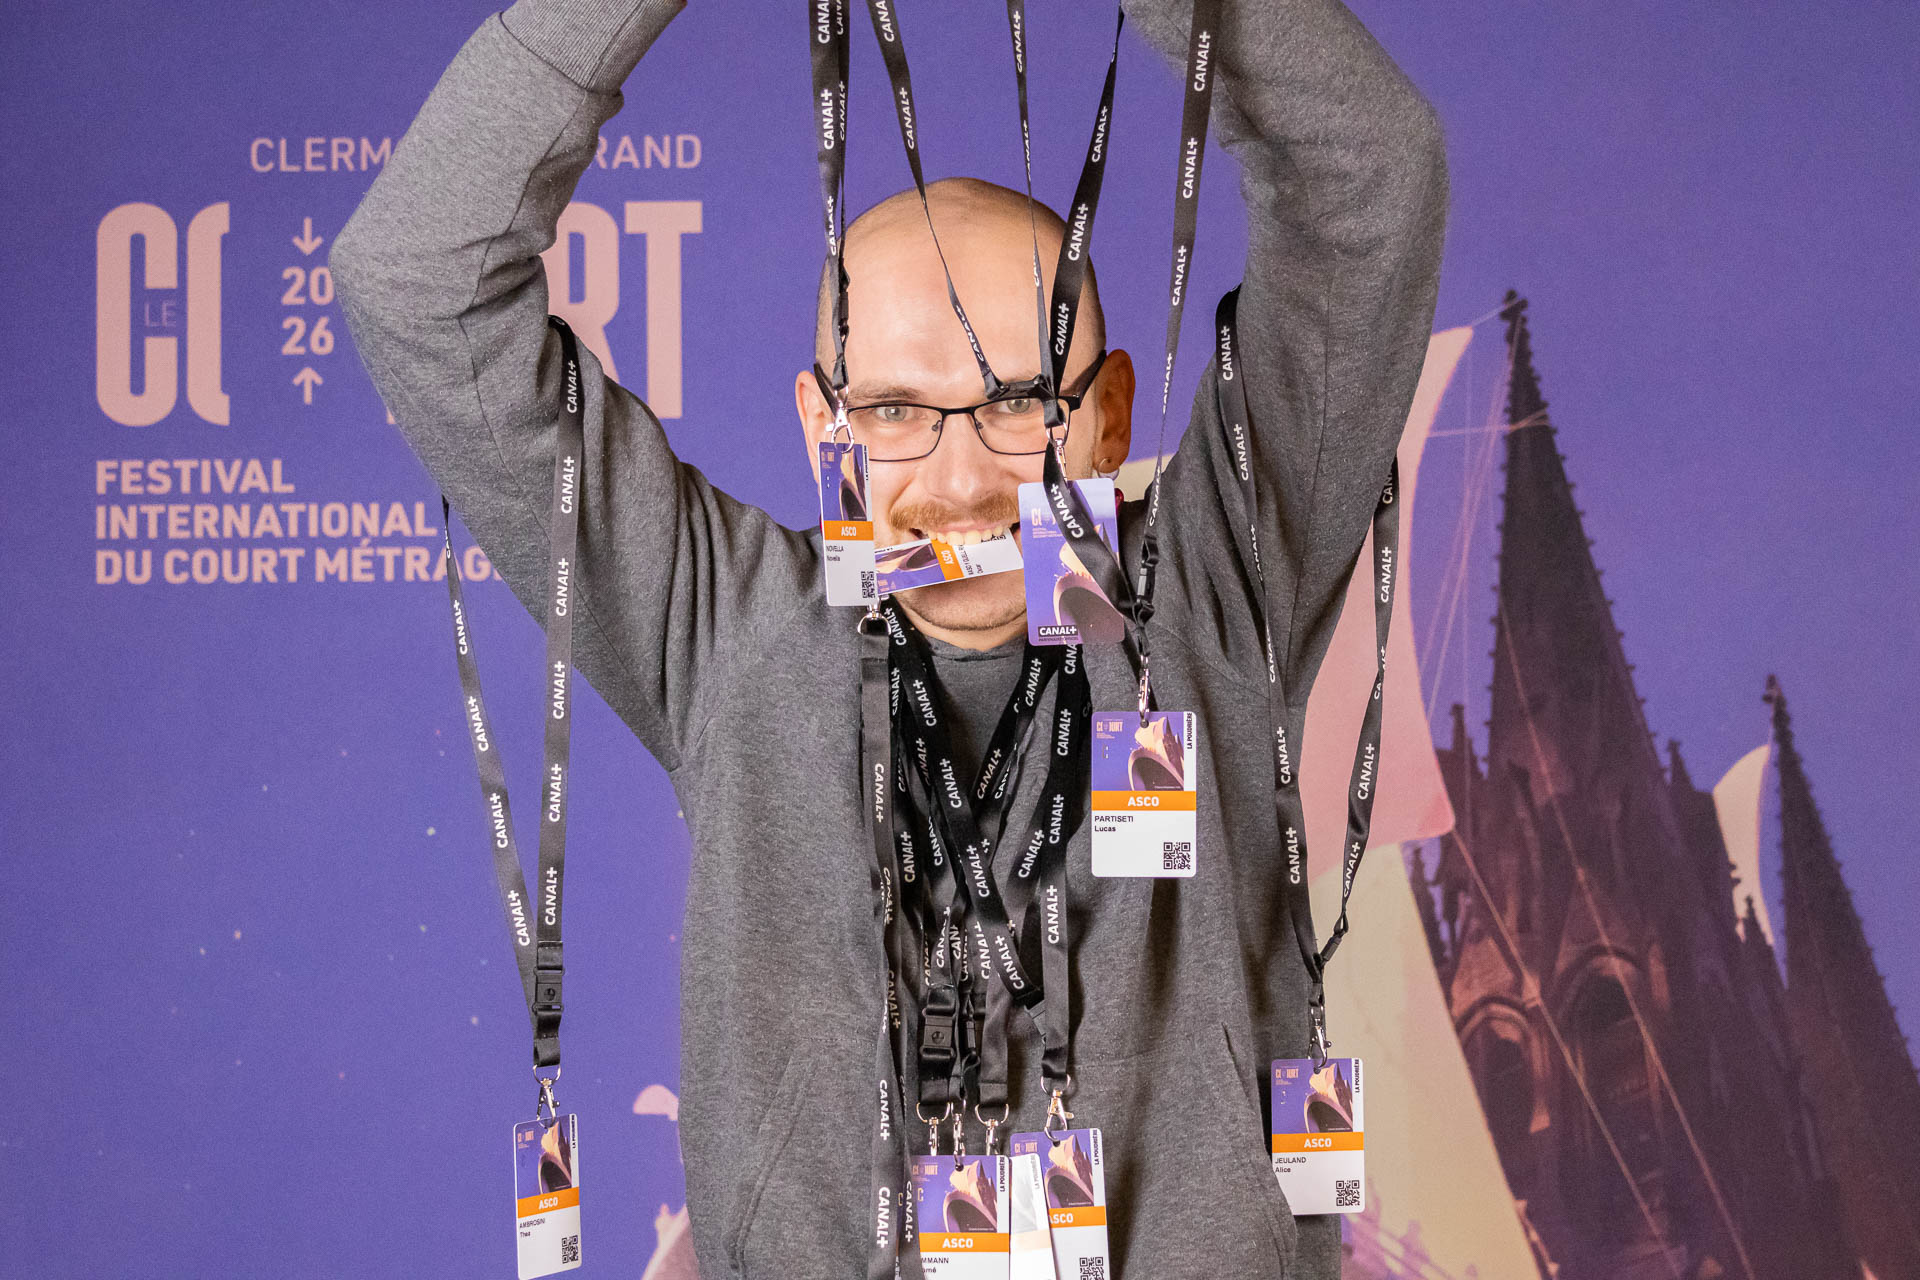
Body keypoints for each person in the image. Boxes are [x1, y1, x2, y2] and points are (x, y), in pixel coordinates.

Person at [331, 0, 1446, 1275]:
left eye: (1021, 401)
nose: (962, 482)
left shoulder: (1216, 593)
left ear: (1109, 413)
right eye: (896, 410)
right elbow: (422, 282)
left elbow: (1371, 181)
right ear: (825, 425)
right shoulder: (729, 629)